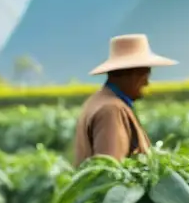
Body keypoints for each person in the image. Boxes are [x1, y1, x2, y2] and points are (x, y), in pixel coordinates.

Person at [73, 34, 177, 165]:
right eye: (145, 76)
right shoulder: (111, 111)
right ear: (133, 74)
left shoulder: (98, 101)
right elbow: (111, 173)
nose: (146, 83)